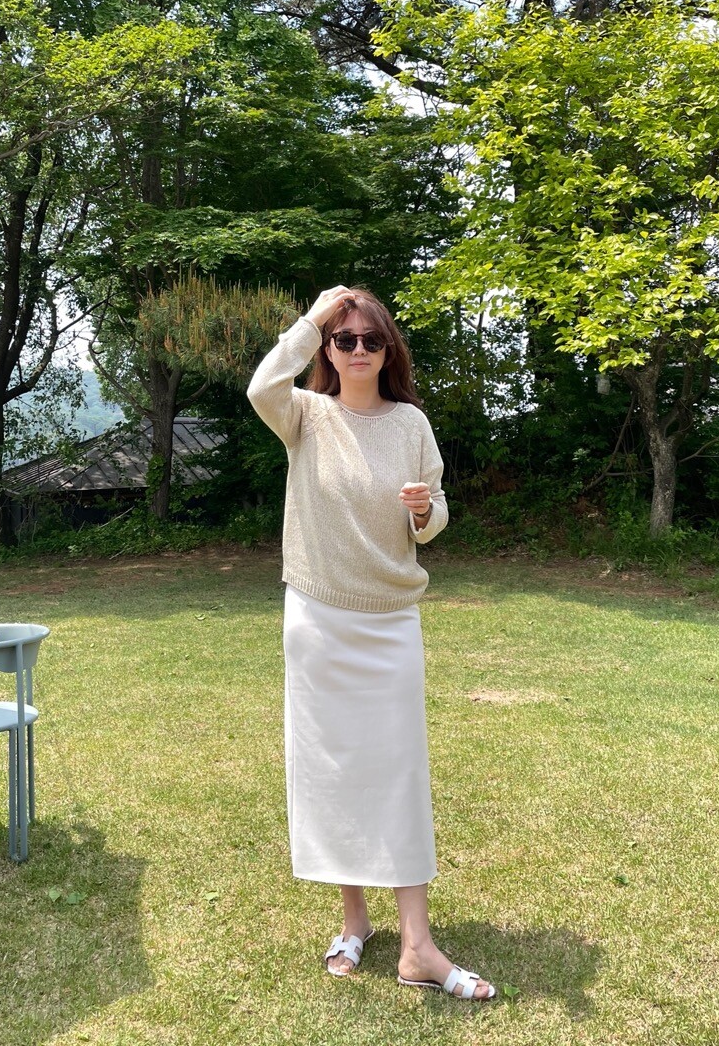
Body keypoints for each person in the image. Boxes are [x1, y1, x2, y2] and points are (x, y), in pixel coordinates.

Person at [247, 284, 495, 1001]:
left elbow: (436, 512)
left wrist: (423, 514)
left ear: (389, 351)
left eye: (371, 339)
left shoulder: (412, 423)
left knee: (399, 772)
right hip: (318, 619)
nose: (358, 349)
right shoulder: (304, 414)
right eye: (344, 338)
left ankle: (417, 946)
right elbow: (262, 385)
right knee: (332, 771)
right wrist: (313, 316)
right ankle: (353, 921)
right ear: (328, 349)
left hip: (391, 620)